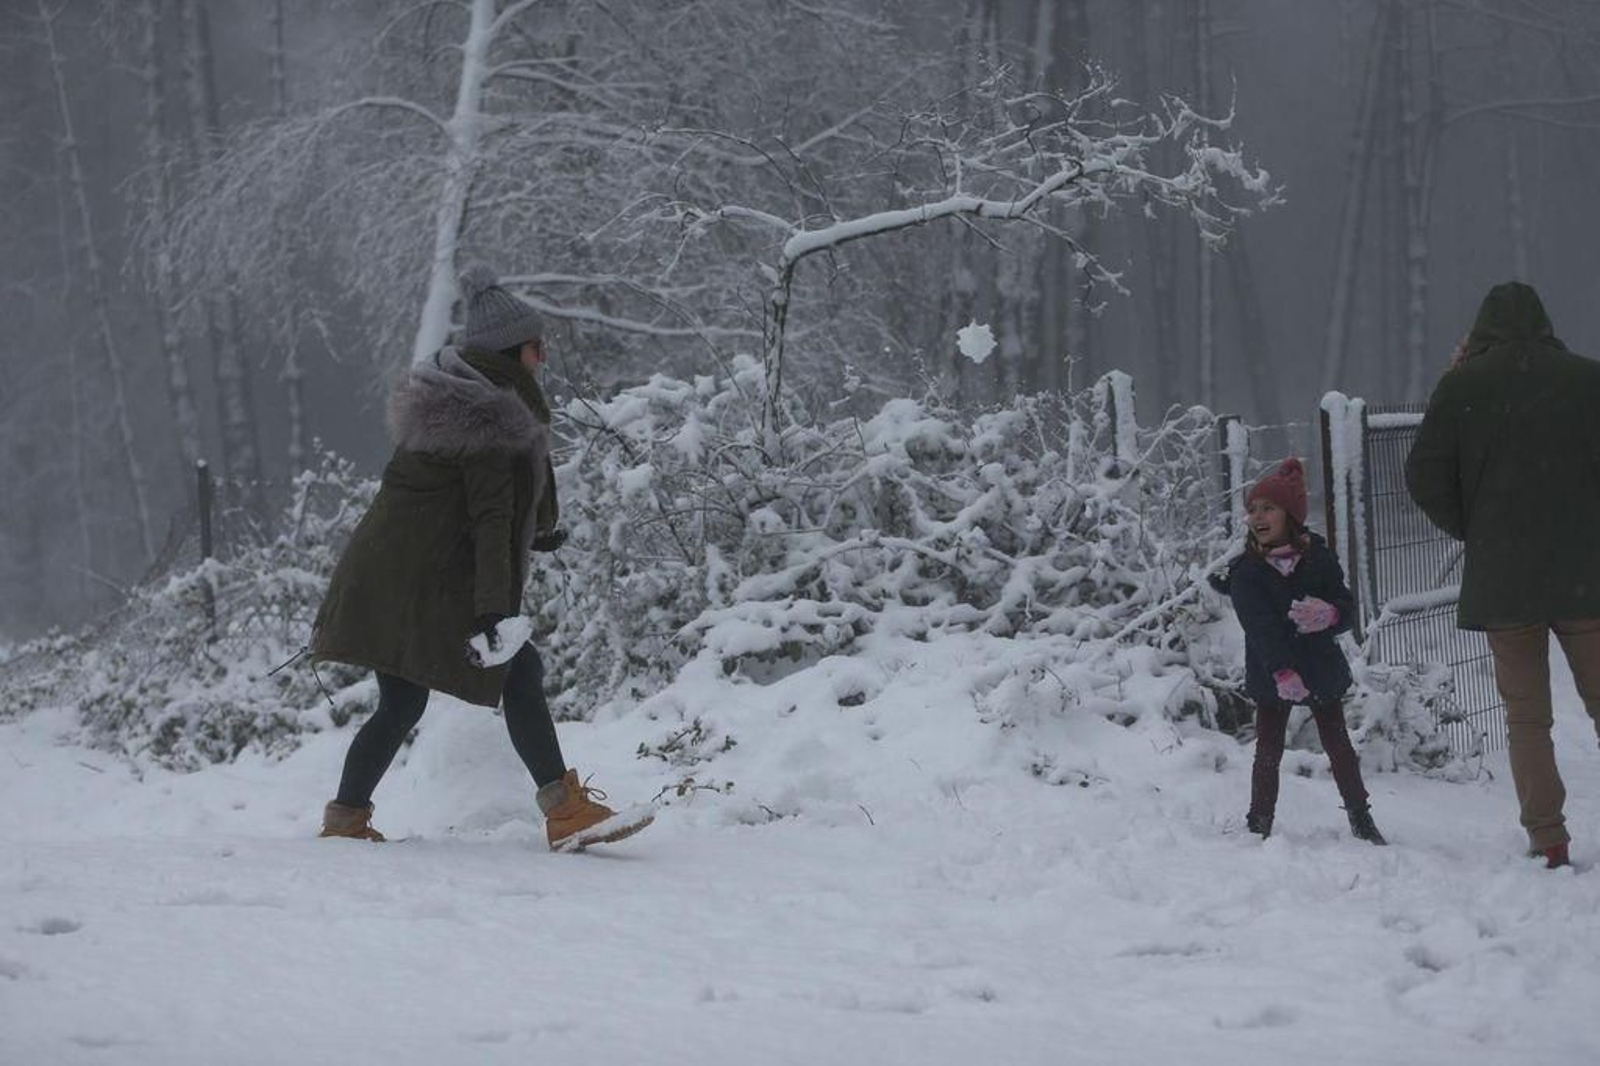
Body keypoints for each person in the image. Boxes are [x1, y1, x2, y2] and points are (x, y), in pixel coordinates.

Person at [310, 265, 654, 852]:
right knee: (520, 671)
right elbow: (490, 520)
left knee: (400, 703)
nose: (542, 358)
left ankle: (345, 820)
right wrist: (496, 615)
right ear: (511, 352)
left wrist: (534, 533)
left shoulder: (458, 400)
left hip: (390, 577)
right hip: (420, 584)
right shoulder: (489, 421)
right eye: (536, 347)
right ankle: (564, 810)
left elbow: (461, 506)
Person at [1406, 281, 1600, 870]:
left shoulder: (1462, 386)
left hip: (1506, 581)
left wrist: (1477, 526)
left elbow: (1423, 476)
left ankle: (1549, 837)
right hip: (1586, 574)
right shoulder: (1587, 380)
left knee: (1526, 717)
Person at [1217, 458, 1387, 845]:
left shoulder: (1318, 558)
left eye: (1268, 508)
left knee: (1338, 743)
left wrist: (1329, 615)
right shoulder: (1247, 572)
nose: (1257, 516)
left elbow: (1346, 606)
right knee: (1269, 748)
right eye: (1252, 509)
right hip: (1270, 670)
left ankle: (1361, 818)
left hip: (1320, 665)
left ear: (1290, 515)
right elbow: (1260, 629)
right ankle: (1259, 822)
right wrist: (1281, 672)